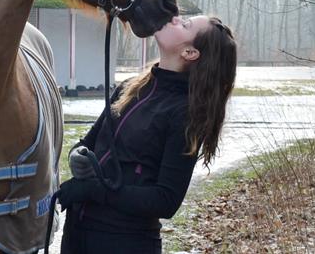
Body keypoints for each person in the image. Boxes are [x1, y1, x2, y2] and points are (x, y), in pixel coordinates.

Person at [57, 15, 237, 253]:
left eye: (185, 25)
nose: (175, 18)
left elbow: (165, 200)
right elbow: (89, 143)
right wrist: (78, 157)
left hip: (125, 243)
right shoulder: (130, 87)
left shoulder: (185, 113)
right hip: (77, 235)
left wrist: (93, 190)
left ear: (190, 53)